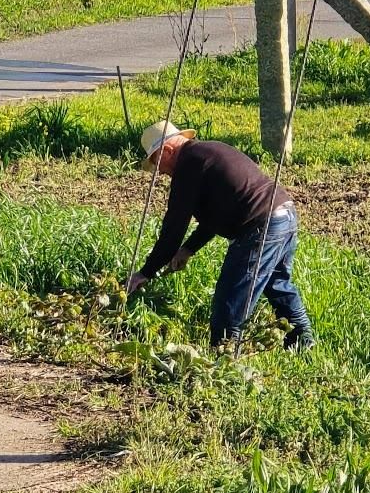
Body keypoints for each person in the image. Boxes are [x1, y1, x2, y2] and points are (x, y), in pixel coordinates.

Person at [126, 121, 315, 351]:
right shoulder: (206, 153)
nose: (161, 172)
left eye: (157, 164)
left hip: (259, 225)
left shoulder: (188, 164)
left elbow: (174, 227)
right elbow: (217, 214)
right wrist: (188, 249)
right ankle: (303, 341)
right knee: (277, 283)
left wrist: (146, 272)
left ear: (167, 150)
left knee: (230, 300)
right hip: (284, 215)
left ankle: (224, 359)